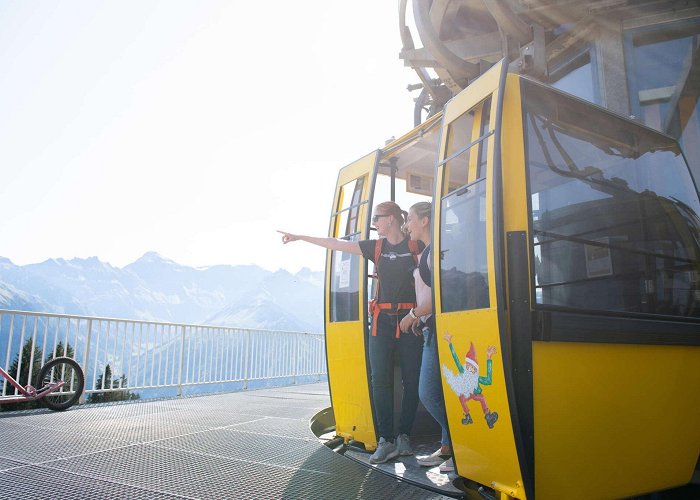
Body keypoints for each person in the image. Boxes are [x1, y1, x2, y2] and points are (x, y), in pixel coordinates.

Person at [279, 201, 424, 464]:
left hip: (410, 321)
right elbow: (336, 243)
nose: (375, 224)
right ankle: (386, 440)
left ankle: (404, 435)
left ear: (391, 219)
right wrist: (300, 237)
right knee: (380, 380)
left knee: (412, 380)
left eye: (378, 219)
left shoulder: (415, 246)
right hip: (382, 322)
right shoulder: (375, 246)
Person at [399, 201, 454, 473]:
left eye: (409, 218)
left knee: (428, 393)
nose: (406, 224)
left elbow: (438, 299)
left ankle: (461, 444)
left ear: (424, 221)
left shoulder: (434, 253)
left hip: (439, 328)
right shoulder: (430, 252)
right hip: (433, 327)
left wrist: (413, 315)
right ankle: (448, 448)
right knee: (444, 392)